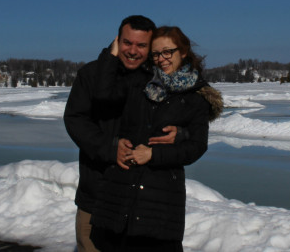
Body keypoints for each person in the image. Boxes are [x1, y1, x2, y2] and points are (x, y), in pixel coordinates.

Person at [90, 26, 223, 252]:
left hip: (160, 199)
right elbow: (103, 95)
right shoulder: (139, 83)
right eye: (156, 54)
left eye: (167, 52)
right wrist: (111, 53)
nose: (161, 59)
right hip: (122, 190)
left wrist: (154, 154)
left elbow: (197, 146)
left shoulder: (196, 97)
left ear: (183, 52)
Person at [64, 15, 181, 252]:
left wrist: (182, 132)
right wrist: (109, 148)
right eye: (127, 43)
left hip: (143, 200)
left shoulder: (159, 79)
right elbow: (75, 119)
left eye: (141, 45)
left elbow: (187, 115)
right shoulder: (91, 74)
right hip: (96, 191)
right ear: (117, 40)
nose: (133, 51)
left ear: (151, 47)